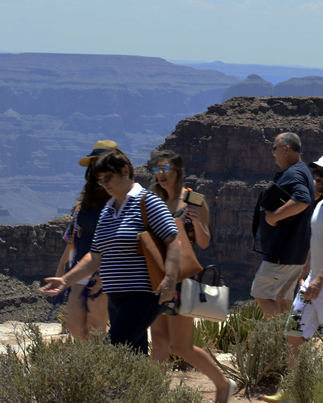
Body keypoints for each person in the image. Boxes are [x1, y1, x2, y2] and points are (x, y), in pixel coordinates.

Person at [40, 150, 181, 354]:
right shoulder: (108, 210)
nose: (105, 184)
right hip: (117, 297)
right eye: (100, 181)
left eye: (108, 178)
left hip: (144, 294)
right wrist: (66, 280)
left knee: (114, 352)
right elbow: (95, 255)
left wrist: (169, 278)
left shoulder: (148, 201)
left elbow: (173, 240)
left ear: (125, 171)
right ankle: (145, 387)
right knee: (132, 357)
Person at [264, 154, 323, 403]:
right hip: (312, 285)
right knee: (294, 333)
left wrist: (321, 278)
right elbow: (315, 244)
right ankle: (293, 391)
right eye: (316, 171)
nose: (317, 176)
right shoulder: (320, 206)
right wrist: (306, 273)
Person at [147, 150, 236, 403]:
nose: (161, 175)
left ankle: (223, 383)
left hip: (182, 278)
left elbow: (205, 242)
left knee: (181, 346)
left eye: (167, 170)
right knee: (160, 343)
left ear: (178, 171)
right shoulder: (153, 199)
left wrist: (196, 222)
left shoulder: (194, 200)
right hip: (158, 277)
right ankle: (153, 394)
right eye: (157, 170)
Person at [52, 140, 116, 340]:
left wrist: (107, 275)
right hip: (80, 266)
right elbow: (74, 236)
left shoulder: (119, 200)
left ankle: (98, 369)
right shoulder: (85, 202)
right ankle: (84, 366)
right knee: (74, 325)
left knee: (96, 326)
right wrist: (62, 267)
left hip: (104, 271)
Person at [252, 132, 315, 318]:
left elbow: (302, 200)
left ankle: (280, 339)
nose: (273, 153)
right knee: (283, 299)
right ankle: (291, 343)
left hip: (281, 253)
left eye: (275, 149)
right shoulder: (301, 171)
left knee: (261, 294)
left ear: (287, 149)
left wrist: (274, 217)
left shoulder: (294, 172)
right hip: (294, 252)